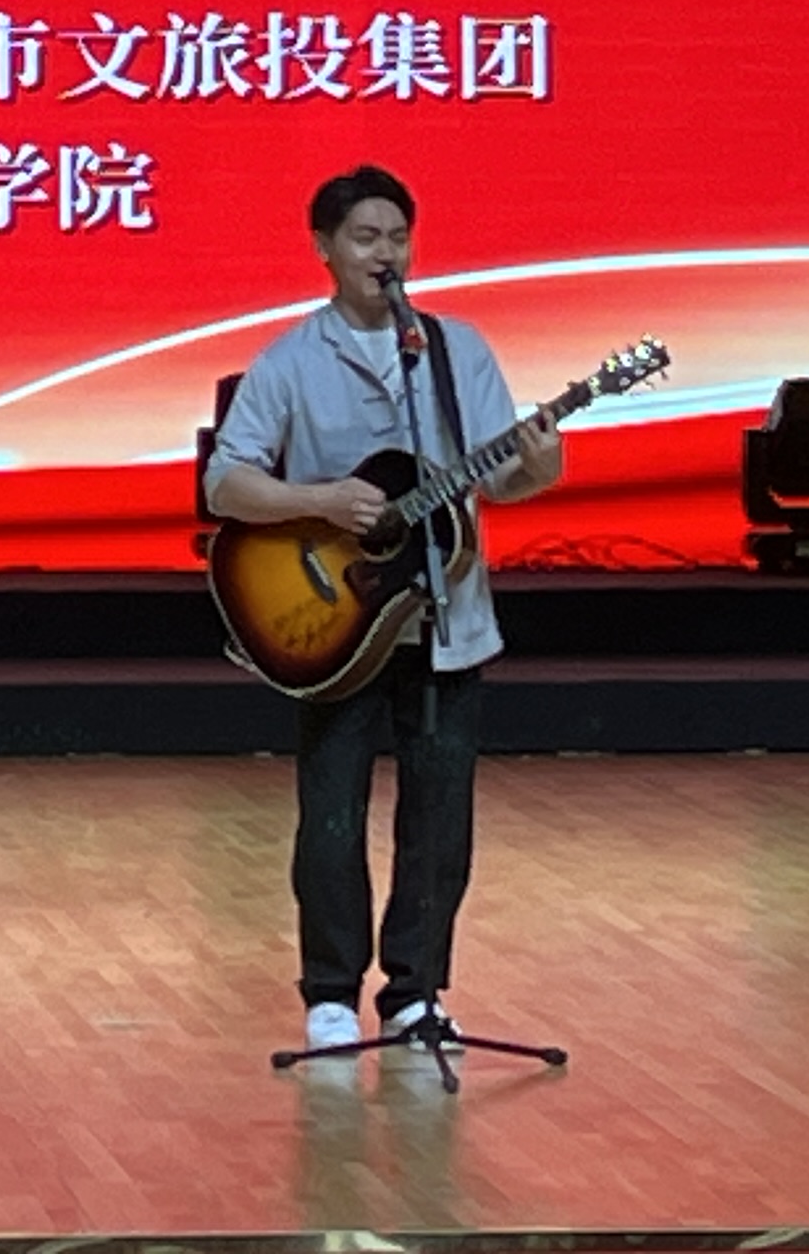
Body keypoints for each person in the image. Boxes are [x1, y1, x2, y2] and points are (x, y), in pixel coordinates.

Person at [202, 164, 567, 1056]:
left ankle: (415, 993)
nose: (385, 255)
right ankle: (330, 993)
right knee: (331, 817)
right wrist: (322, 501)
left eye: (398, 238)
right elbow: (225, 482)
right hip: (336, 629)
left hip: (445, 625)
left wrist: (541, 465)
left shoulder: (455, 351)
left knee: (440, 822)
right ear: (324, 249)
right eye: (365, 238)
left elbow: (501, 480)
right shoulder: (291, 360)